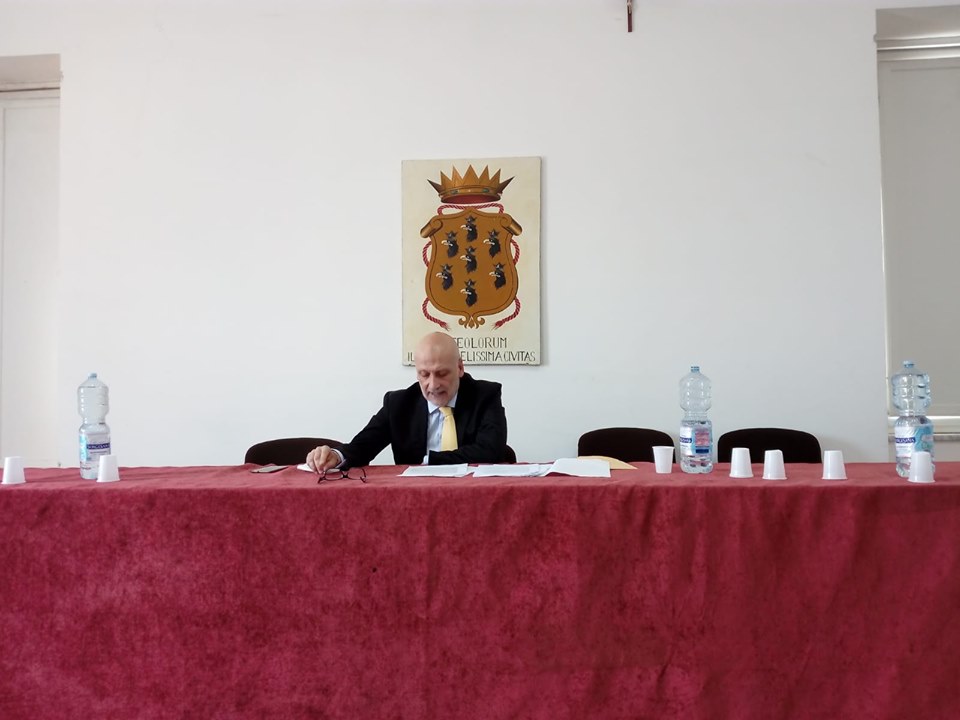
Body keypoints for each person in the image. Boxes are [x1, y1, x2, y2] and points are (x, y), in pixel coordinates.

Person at [306, 332, 508, 471]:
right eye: (424, 374)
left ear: (460, 368)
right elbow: (362, 447)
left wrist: (429, 461)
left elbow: (490, 450)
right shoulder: (398, 404)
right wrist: (336, 456)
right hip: (414, 500)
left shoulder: (486, 395)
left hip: (473, 496)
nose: (433, 385)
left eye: (442, 373)